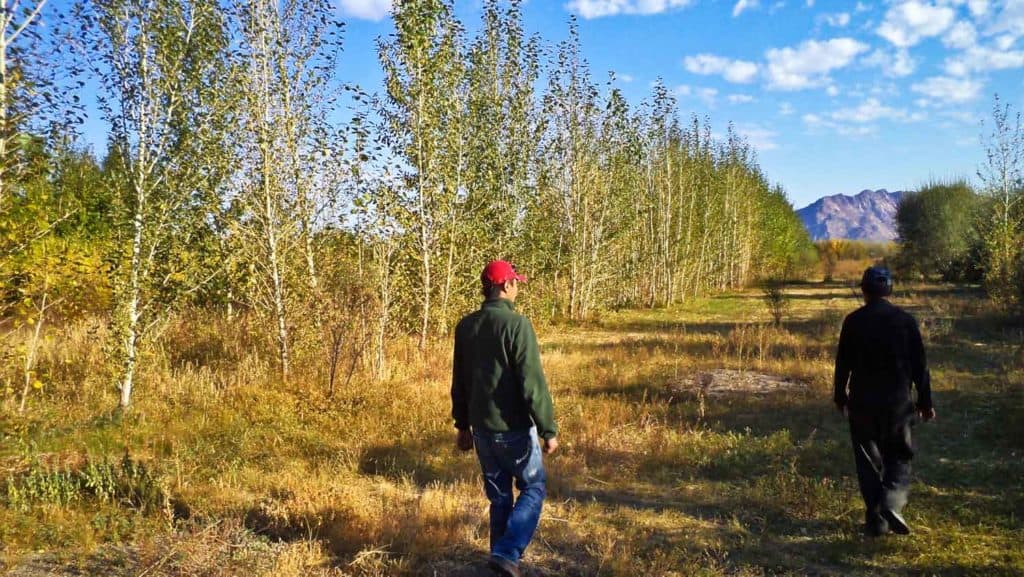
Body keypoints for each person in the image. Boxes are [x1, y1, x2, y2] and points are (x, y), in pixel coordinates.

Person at [451, 260, 559, 577]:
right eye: (515, 281)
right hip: (513, 428)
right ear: (505, 286)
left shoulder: (466, 326)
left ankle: (500, 562)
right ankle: (507, 552)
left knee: (499, 499)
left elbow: (460, 380)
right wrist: (547, 429)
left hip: (482, 430)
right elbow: (532, 381)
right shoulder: (517, 325)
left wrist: (461, 425)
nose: (517, 287)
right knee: (534, 487)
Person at [834, 266, 936, 537]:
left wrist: (839, 396)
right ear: (889, 290)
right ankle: (891, 502)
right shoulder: (905, 321)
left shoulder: (853, 321)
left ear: (864, 290)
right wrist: (925, 401)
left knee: (868, 463)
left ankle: (876, 522)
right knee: (899, 456)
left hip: (862, 404)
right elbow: (920, 366)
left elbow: (843, 363)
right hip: (898, 405)